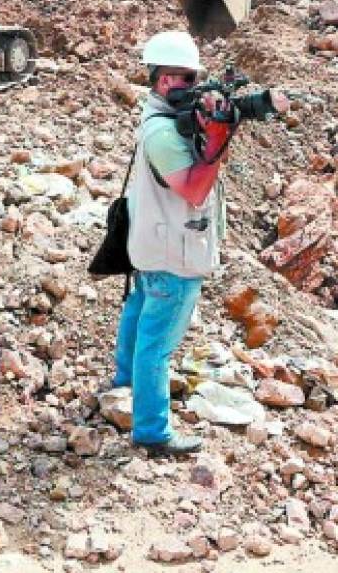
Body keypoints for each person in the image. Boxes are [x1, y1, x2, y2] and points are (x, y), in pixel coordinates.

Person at [112, 31, 290, 456]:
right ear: (160, 80)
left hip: (155, 245)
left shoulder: (166, 115)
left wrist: (229, 118)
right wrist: (216, 140)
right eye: (183, 79)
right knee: (157, 346)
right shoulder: (161, 133)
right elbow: (193, 191)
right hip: (174, 255)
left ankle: (122, 383)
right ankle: (152, 433)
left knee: (139, 311)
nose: (191, 87)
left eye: (194, 78)